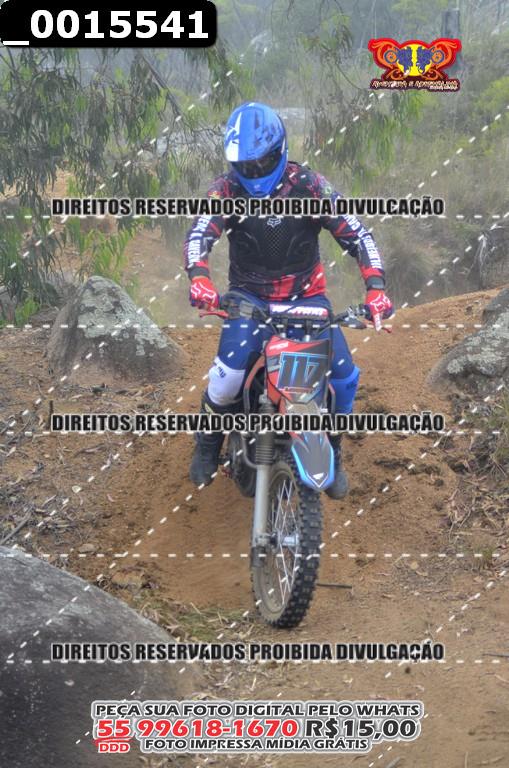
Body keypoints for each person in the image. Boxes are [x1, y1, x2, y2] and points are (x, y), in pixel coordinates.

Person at [183, 101, 393, 498]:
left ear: (279, 151)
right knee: (226, 379)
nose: (252, 172)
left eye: (260, 162)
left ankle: (332, 449)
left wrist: (377, 289)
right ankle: (208, 443)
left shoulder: (309, 186)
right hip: (249, 299)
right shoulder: (224, 190)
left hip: (307, 297)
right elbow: (200, 233)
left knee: (344, 379)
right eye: (244, 165)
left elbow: (357, 233)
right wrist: (199, 280)